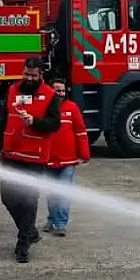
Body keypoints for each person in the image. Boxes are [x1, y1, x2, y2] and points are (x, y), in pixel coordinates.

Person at [0, 57, 61, 263]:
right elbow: (2, 121)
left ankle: (23, 244)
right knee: (8, 197)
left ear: (40, 75)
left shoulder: (50, 95)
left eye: (32, 75)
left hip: (35, 157)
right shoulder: (13, 90)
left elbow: (55, 124)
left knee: (29, 200)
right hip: (12, 153)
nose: (28, 78)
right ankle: (30, 230)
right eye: (26, 74)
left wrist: (35, 122)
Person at [42, 78, 91, 237]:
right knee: (51, 194)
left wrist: (84, 155)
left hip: (67, 161)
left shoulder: (72, 108)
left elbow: (80, 132)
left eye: (63, 91)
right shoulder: (43, 110)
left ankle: (60, 224)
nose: (61, 94)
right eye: (57, 91)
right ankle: (52, 220)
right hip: (48, 160)